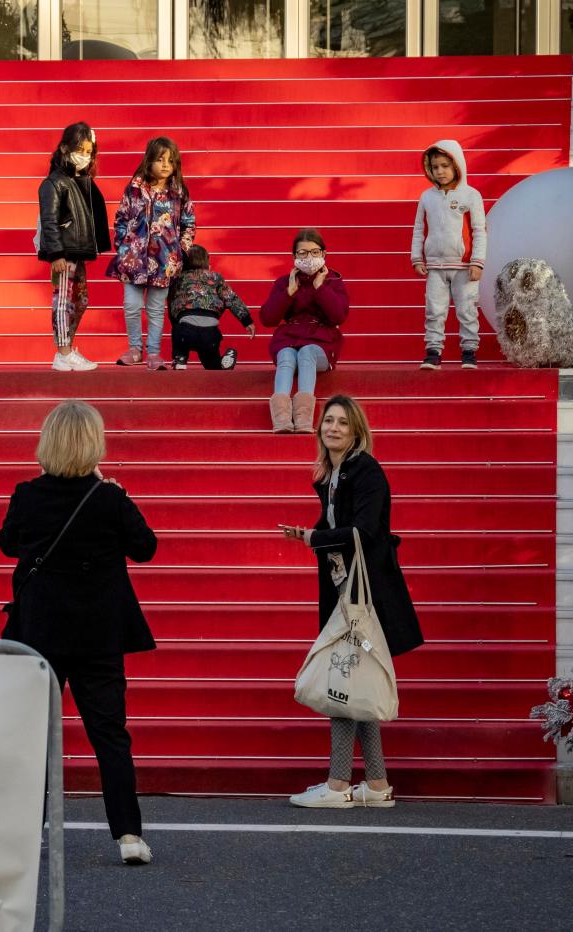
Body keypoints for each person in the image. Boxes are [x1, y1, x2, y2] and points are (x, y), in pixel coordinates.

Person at [0, 400, 157, 864]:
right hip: (97, 635)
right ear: (94, 444)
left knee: (37, 736)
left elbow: (8, 543)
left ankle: (29, 833)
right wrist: (120, 495)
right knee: (110, 734)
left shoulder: (27, 494)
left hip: (41, 633)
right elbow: (146, 548)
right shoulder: (108, 497)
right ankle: (128, 835)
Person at [280, 395, 423, 808]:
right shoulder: (335, 473)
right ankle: (376, 786)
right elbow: (337, 526)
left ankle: (339, 784)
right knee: (353, 677)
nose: (334, 428)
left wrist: (314, 539)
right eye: (328, 420)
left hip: (364, 596)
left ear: (357, 431)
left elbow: (363, 532)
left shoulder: (366, 471)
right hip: (348, 591)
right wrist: (308, 532)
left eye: (343, 422)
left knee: (342, 675)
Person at [107, 137, 196, 370]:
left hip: (165, 261)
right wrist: (123, 246)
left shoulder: (179, 193)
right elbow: (121, 218)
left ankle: (154, 353)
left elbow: (189, 224)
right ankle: (135, 349)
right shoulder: (134, 189)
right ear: (148, 162)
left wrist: (180, 251)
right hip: (133, 260)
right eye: (160, 159)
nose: (166, 165)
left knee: (156, 309)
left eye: (170, 161)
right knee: (132, 305)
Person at [36, 122, 111, 372]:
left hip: (77, 253)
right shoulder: (54, 183)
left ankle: (67, 346)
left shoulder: (80, 181)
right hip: (63, 254)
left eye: (89, 151)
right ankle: (63, 352)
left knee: (81, 300)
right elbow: (49, 219)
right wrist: (55, 253)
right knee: (63, 301)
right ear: (64, 148)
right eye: (80, 149)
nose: (84, 156)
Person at [259, 229, 350, 434]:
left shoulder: (333, 281)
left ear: (323, 254)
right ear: (294, 257)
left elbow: (339, 316)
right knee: (286, 355)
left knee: (307, 352)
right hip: (290, 338)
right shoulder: (285, 282)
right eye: (302, 253)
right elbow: (267, 318)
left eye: (314, 252)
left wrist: (320, 288)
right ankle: (281, 417)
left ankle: (303, 417)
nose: (309, 257)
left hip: (322, 343)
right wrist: (288, 293)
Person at [411, 140, 487, 370]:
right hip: (435, 265)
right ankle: (433, 353)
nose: (440, 171)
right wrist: (417, 258)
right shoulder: (426, 197)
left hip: (464, 266)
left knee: (467, 310)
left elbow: (479, 230)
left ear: (457, 165)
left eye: (445, 165)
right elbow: (418, 229)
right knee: (434, 310)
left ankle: (469, 352)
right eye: (435, 167)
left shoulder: (471, 195)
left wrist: (477, 262)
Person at [167, 244, 255, 370]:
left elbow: (172, 303)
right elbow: (231, 299)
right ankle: (220, 364)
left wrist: (175, 322)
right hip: (210, 333)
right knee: (211, 362)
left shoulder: (178, 279)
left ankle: (180, 358)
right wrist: (247, 321)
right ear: (205, 261)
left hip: (185, 331)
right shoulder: (215, 277)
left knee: (178, 332)